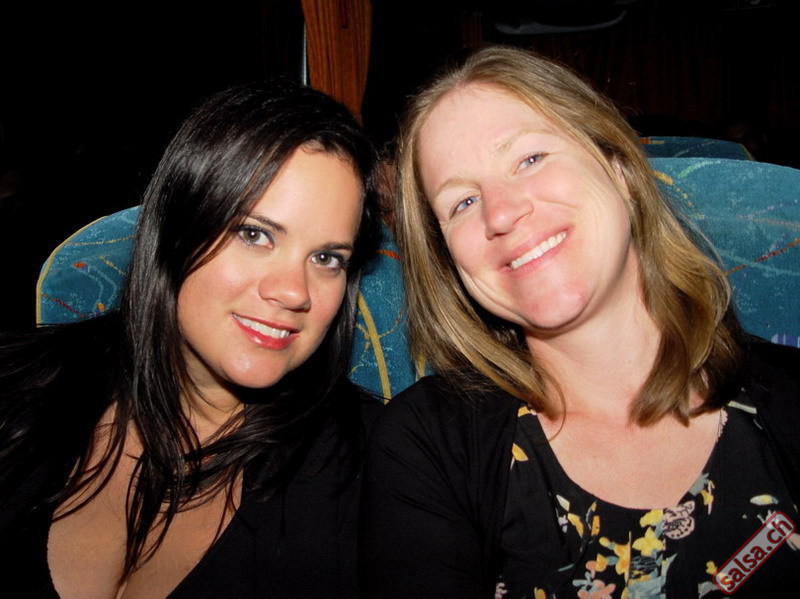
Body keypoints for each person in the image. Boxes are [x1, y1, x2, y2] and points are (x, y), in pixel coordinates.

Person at [360, 46, 800, 598]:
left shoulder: (789, 397)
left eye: (530, 159)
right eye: (463, 202)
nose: (501, 212)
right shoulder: (426, 449)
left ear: (619, 170)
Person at [0, 79, 381, 598]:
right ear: (176, 229)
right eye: (254, 234)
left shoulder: (375, 471)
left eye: (327, 258)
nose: (295, 291)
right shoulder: (18, 386)